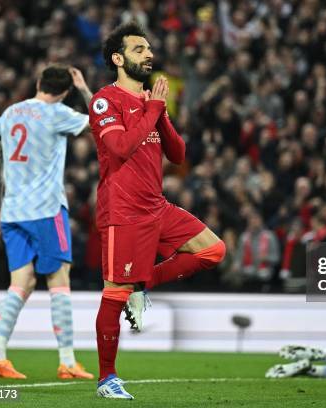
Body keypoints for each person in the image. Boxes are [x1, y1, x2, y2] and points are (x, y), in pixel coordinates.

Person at [89, 22, 226, 399]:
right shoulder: (105, 100)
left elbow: (178, 155)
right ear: (118, 59)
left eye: (148, 48)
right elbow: (119, 148)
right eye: (138, 49)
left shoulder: (151, 102)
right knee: (114, 292)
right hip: (124, 211)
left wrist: (159, 112)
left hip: (156, 205)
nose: (149, 54)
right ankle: (106, 379)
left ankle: (143, 285)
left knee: (213, 250)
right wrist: (152, 109)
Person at [0, 65, 94, 380]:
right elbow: (103, 121)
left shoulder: (8, 114)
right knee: (59, 281)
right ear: (64, 92)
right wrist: (84, 89)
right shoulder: (58, 113)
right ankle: (68, 360)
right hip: (46, 211)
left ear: (38, 83)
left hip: (12, 212)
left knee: (21, 283)